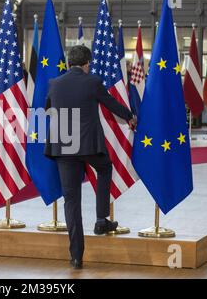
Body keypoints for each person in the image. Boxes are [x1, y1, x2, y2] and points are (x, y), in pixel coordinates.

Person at [44, 45, 137, 269]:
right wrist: (129, 116)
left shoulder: (54, 84)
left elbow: (47, 108)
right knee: (105, 168)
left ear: (69, 63)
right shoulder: (92, 81)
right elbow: (110, 103)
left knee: (71, 201)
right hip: (88, 145)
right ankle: (101, 219)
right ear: (87, 64)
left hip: (63, 146)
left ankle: (76, 256)